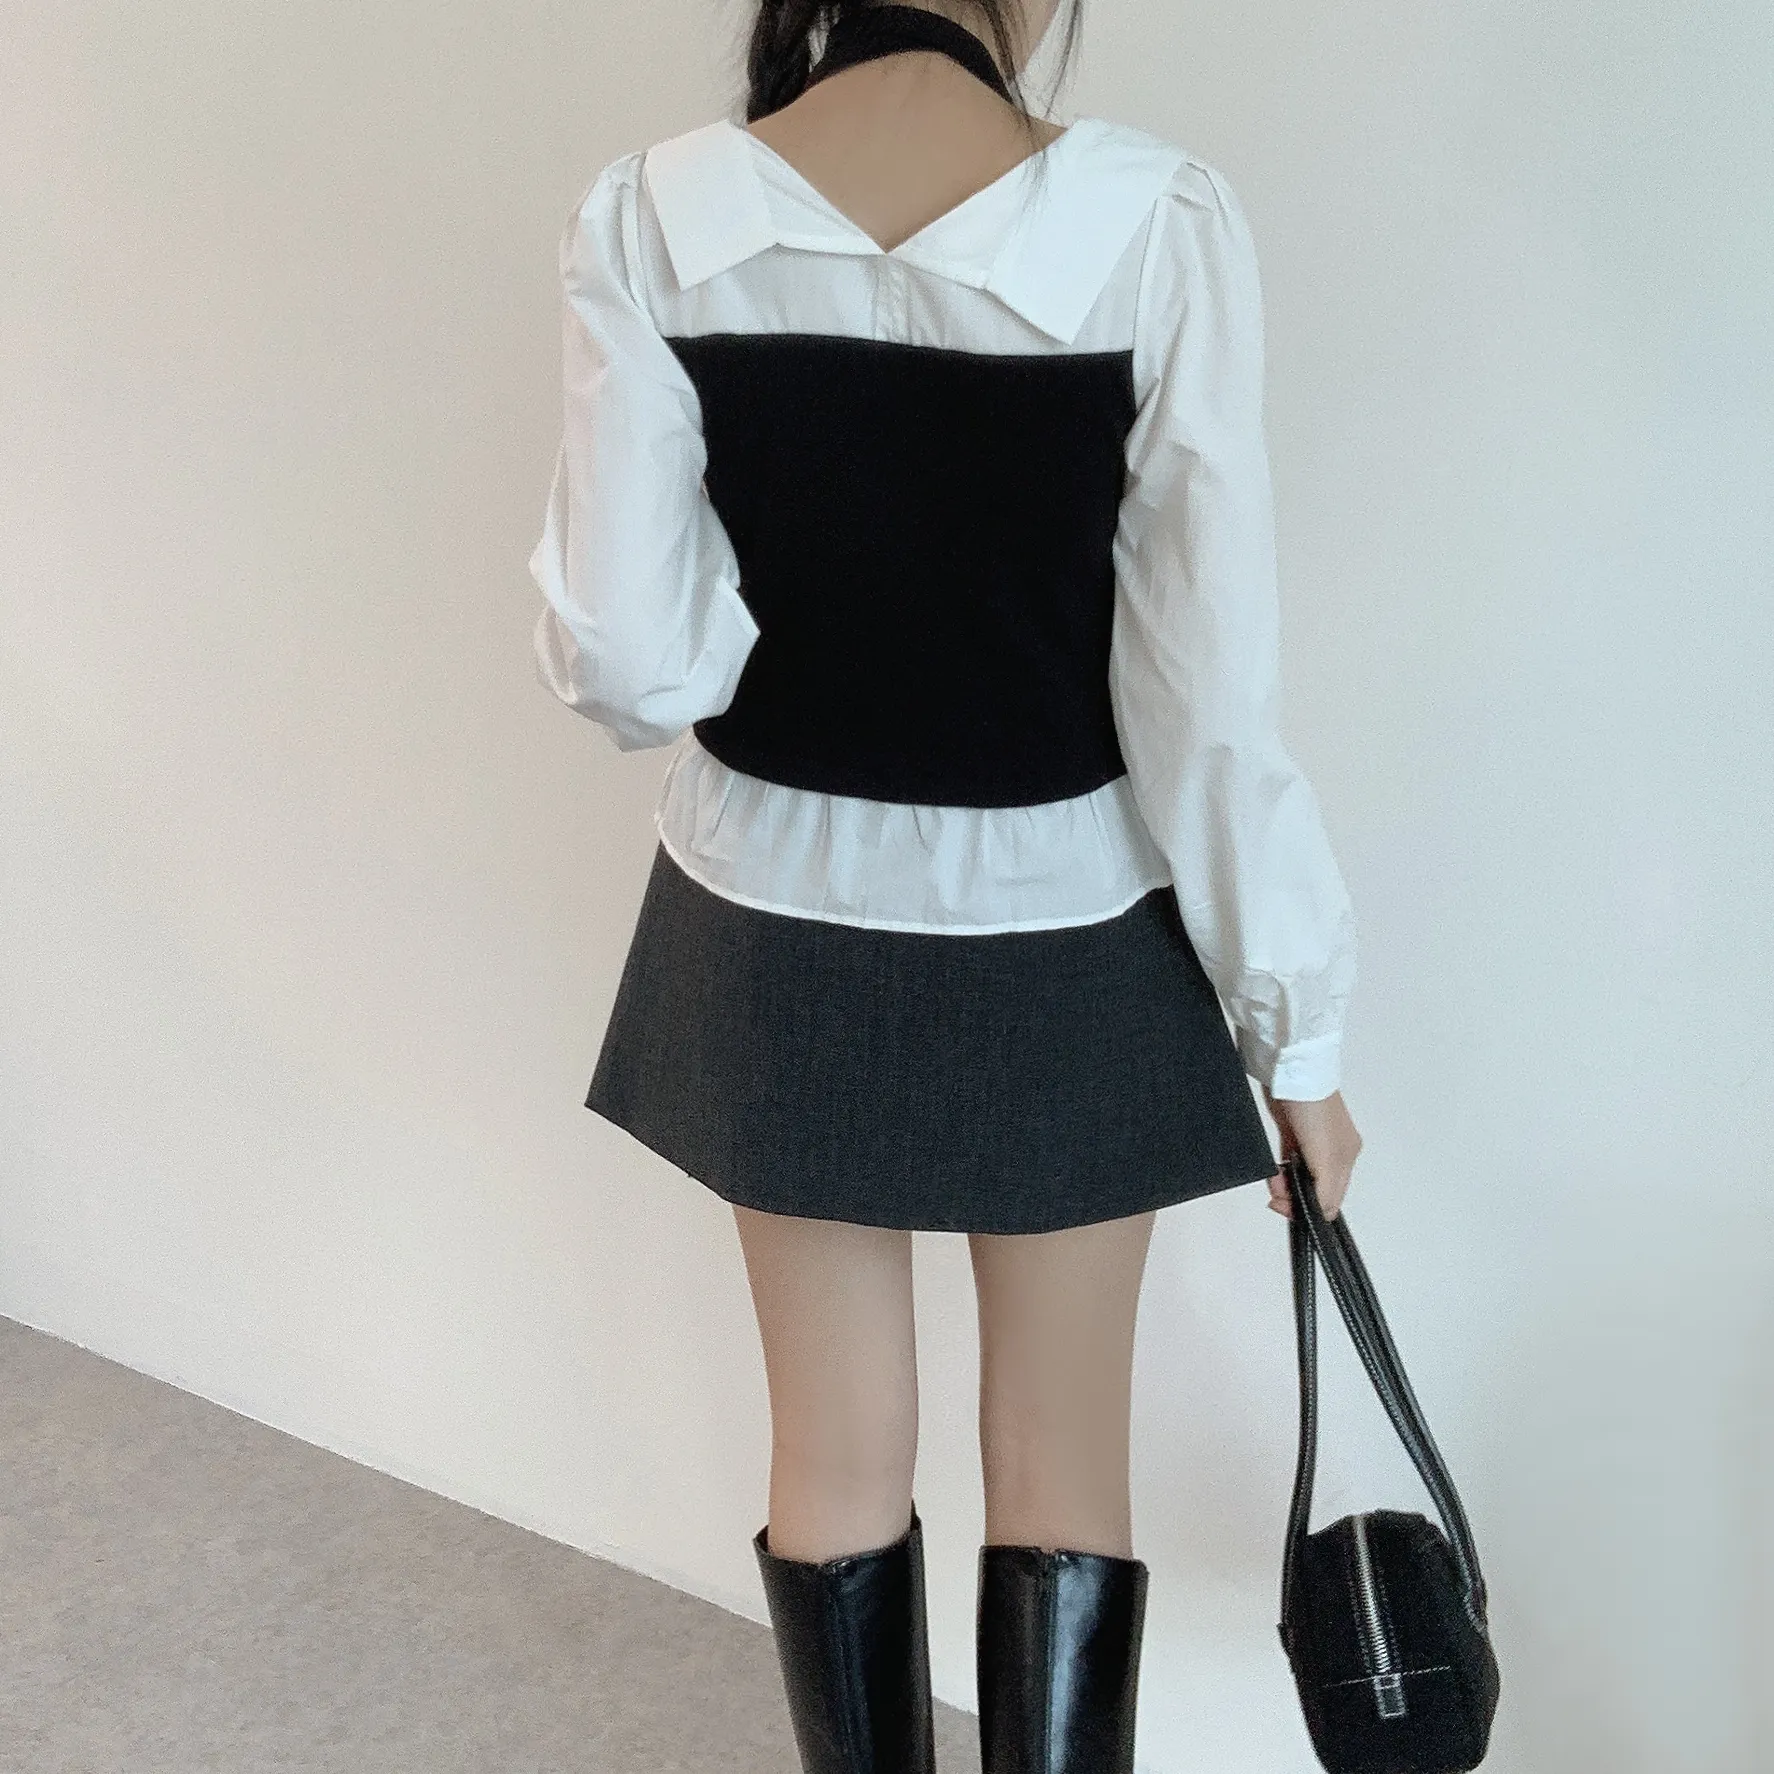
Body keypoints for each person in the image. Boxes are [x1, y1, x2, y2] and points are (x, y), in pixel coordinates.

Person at [527, 1, 1363, 1767]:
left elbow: (629, 660)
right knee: (1063, 1464)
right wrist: (1294, 1035)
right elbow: (1204, 698)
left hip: (770, 917)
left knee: (830, 1454)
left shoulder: (656, 214)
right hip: (1067, 926)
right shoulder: (1152, 220)